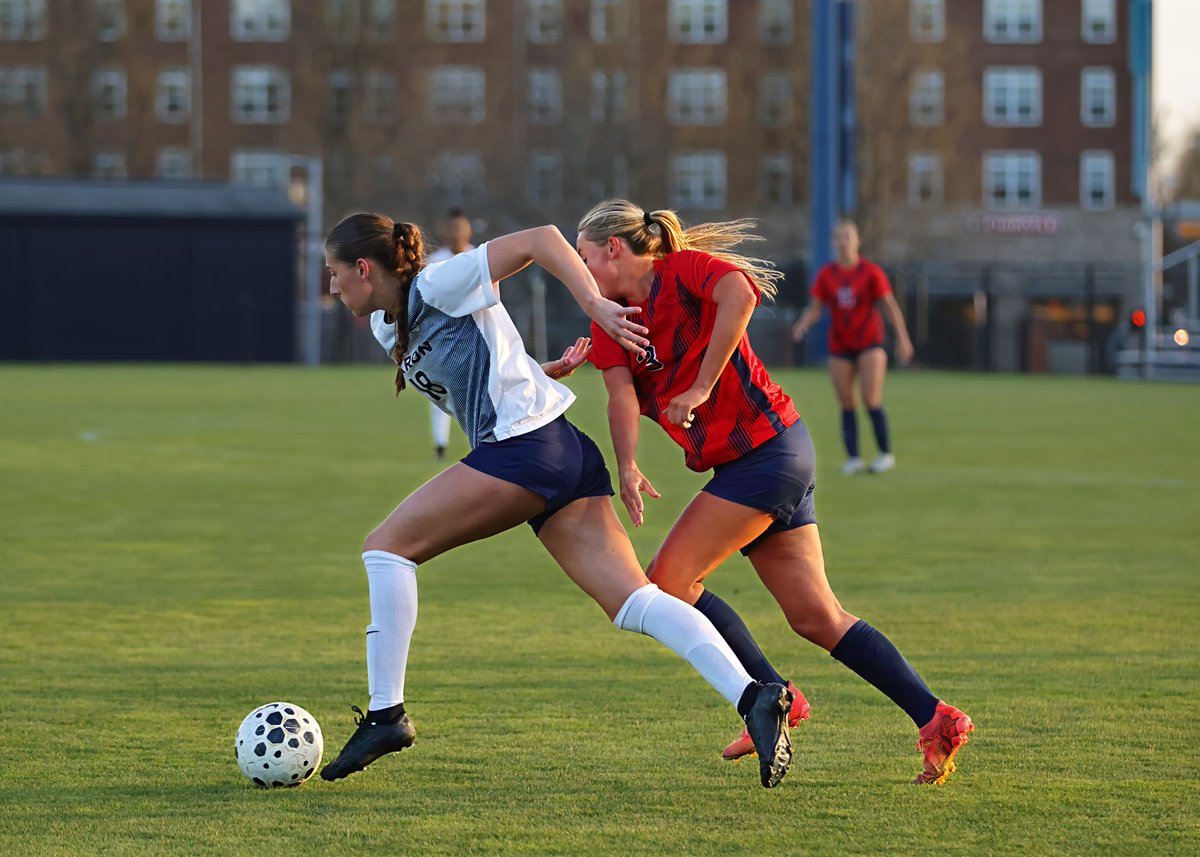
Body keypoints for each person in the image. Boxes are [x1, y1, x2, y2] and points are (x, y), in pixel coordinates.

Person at [318, 212, 794, 789]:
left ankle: (385, 716)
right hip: (556, 448)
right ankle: (756, 696)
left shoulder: (437, 282)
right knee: (632, 603)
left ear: (363, 268)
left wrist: (594, 305)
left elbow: (542, 240)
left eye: (334, 271)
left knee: (386, 548)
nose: (332, 284)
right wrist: (539, 372)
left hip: (528, 450)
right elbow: (479, 389)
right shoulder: (386, 330)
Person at [576, 200, 973, 786]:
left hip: (769, 454)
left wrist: (703, 386)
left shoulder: (680, 271)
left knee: (668, 582)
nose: (580, 272)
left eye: (584, 257)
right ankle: (934, 717)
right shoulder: (608, 317)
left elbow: (739, 295)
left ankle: (772, 695)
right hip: (765, 460)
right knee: (816, 617)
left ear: (614, 249)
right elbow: (619, 396)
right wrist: (628, 464)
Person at [791, 219, 914, 475]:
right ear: (834, 242)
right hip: (840, 343)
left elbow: (889, 306)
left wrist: (903, 338)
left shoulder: (870, 272)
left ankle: (884, 453)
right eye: (839, 237)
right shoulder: (827, 274)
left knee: (871, 398)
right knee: (846, 401)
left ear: (857, 241)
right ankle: (854, 457)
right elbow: (816, 307)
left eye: (848, 236)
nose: (843, 241)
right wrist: (803, 324)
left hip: (869, 342)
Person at [416, 208, 475, 460]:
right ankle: (440, 444)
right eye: (452, 228)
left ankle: (483, 443)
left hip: (474, 336)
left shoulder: (479, 256)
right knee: (439, 393)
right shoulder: (434, 262)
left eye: (461, 228)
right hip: (443, 337)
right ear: (444, 231)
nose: (457, 234)